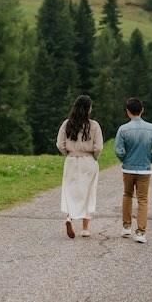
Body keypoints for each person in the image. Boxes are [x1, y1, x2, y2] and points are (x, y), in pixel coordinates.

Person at [114, 97, 152, 243]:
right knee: (142, 199)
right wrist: (151, 158)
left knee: (127, 195)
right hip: (144, 169)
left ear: (128, 112)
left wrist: (125, 159)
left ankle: (126, 227)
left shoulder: (123, 129)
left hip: (128, 169)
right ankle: (141, 232)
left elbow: (118, 150)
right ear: (142, 110)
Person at [56, 94, 103, 238]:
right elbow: (99, 147)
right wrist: (94, 157)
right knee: (88, 192)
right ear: (89, 109)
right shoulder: (94, 125)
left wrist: (68, 154)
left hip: (71, 160)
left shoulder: (66, 124)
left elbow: (60, 144)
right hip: (88, 161)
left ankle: (69, 218)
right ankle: (85, 228)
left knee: (70, 191)